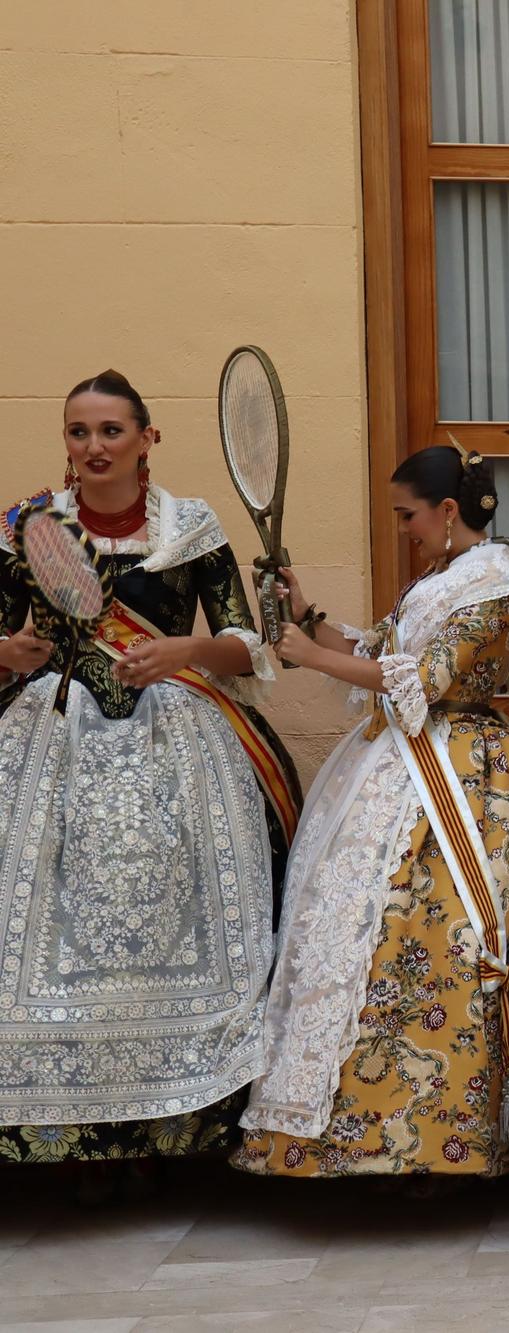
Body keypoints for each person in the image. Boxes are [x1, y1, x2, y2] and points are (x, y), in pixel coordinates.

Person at [0, 370, 299, 1181]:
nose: (92, 447)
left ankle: (186, 1123)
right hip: (49, 737)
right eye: (77, 431)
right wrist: (13, 651)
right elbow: (2, 637)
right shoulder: (26, 526)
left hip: (177, 737)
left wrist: (183, 650)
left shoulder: (190, 526)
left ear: (146, 438)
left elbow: (248, 644)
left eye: (109, 431)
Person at [236, 443, 509, 1178]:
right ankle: (349, 1134)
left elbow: (427, 677)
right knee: (356, 936)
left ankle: (435, 1144)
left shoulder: (496, 587)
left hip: (465, 777)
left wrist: (311, 657)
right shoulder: (440, 579)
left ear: (448, 512)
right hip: (402, 763)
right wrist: (308, 616)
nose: (404, 528)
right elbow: (377, 648)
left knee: (433, 938)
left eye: (409, 515)